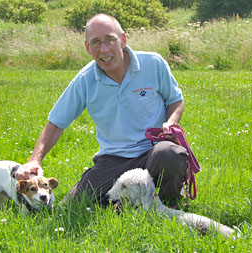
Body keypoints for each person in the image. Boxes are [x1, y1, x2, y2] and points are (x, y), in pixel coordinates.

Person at [15, 13, 188, 206]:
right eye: (96, 42)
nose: (104, 49)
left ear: (123, 39)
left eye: (110, 40)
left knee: (171, 154)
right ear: (87, 48)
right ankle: (127, 203)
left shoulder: (153, 64)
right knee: (74, 206)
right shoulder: (85, 79)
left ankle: (169, 204)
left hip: (153, 151)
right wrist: (34, 160)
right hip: (113, 159)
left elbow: (175, 100)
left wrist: (171, 122)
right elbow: (56, 122)